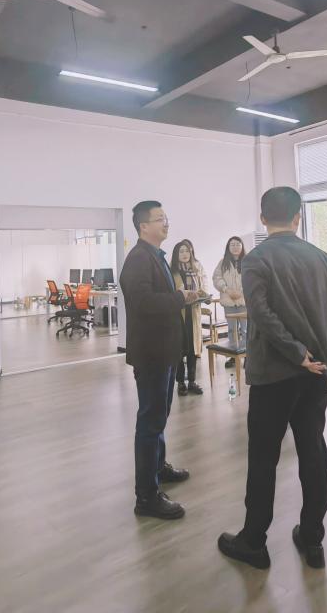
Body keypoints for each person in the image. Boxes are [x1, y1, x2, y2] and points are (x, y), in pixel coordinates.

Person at [217, 187, 327, 571]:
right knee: (313, 450)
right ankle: (313, 538)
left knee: (263, 457)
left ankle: (253, 541)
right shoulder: (322, 258)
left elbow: (260, 313)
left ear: (263, 219)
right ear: (298, 217)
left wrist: (295, 352)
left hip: (274, 374)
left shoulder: (256, 259)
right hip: (316, 373)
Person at [119, 200, 201, 520]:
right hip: (152, 354)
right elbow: (143, 304)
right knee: (150, 422)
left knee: (159, 416)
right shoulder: (139, 259)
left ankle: (158, 468)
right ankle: (146, 496)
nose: (166, 223)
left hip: (165, 352)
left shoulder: (156, 255)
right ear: (143, 226)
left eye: (166, 218)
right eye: (160, 219)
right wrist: (180, 297)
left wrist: (183, 298)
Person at [171, 239, 208, 396]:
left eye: (187, 251)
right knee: (180, 349)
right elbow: (170, 292)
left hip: (193, 312)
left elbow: (204, 285)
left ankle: (192, 381)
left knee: (193, 349)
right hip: (178, 313)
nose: (185, 254)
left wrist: (201, 294)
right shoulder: (172, 271)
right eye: (181, 251)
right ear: (176, 254)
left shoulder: (197, 268)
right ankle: (180, 382)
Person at [213, 236, 247, 365]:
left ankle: (247, 355)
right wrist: (227, 289)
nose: (235, 247)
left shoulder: (248, 261)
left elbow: (251, 278)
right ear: (228, 247)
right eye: (232, 244)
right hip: (228, 301)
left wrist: (240, 292)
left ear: (242, 246)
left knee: (245, 330)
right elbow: (216, 278)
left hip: (243, 301)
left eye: (238, 244)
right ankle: (232, 355)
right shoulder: (223, 262)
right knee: (232, 329)